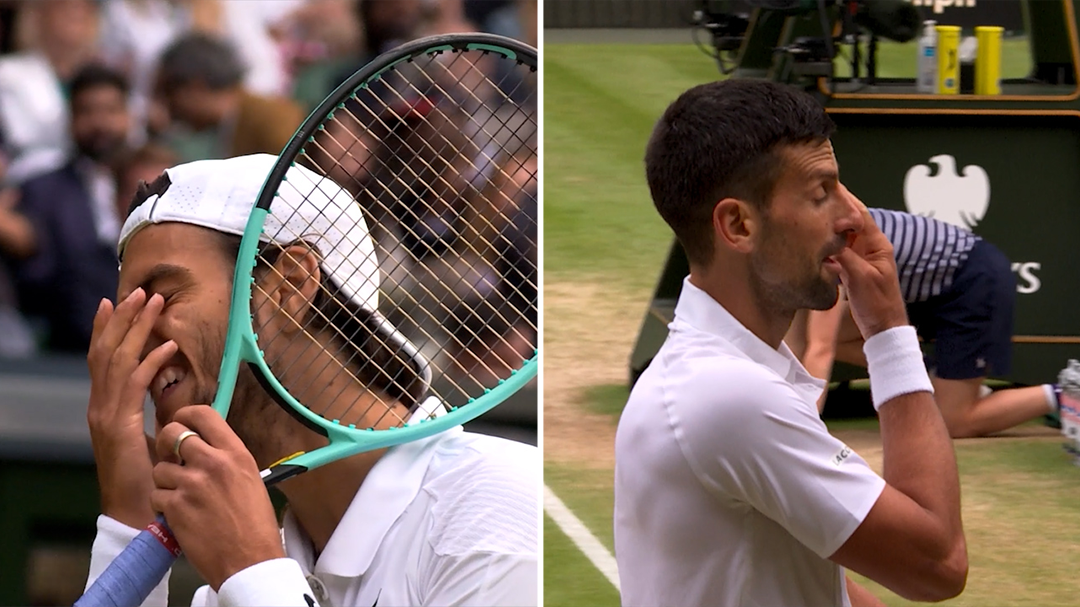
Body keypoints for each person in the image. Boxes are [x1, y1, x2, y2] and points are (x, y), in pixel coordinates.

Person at [83, 154, 538, 605]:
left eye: (162, 296)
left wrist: (254, 575)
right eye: (127, 311)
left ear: (289, 287)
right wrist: (127, 521)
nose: (133, 340)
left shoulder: (499, 512)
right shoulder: (236, 582)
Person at [613, 79, 967, 607]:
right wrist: (889, 332)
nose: (853, 218)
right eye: (821, 194)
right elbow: (937, 564)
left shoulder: (722, 376)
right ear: (738, 225)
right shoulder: (730, 396)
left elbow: (811, 578)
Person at [788, 207, 1062, 437]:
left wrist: (802, 433)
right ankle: (931, 374)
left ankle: (1067, 394)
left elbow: (819, 350)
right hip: (925, 291)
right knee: (821, 333)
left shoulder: (830, 243)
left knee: (954, 421)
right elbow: (794, 344)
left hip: (971, 281)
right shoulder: (807, 236)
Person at [10, 64, 131, 354]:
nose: (99, 123)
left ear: (129, 115)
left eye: (110, 110)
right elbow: (37, 273)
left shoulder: (158, 177)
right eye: (87, 112)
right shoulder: (43, 189)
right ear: (70, 120)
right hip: (66, 350)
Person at [153, 32, 304, 160]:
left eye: (169, 94)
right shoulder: (234, 123)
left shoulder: (272, 122)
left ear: (196, 87)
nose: (168, 108)